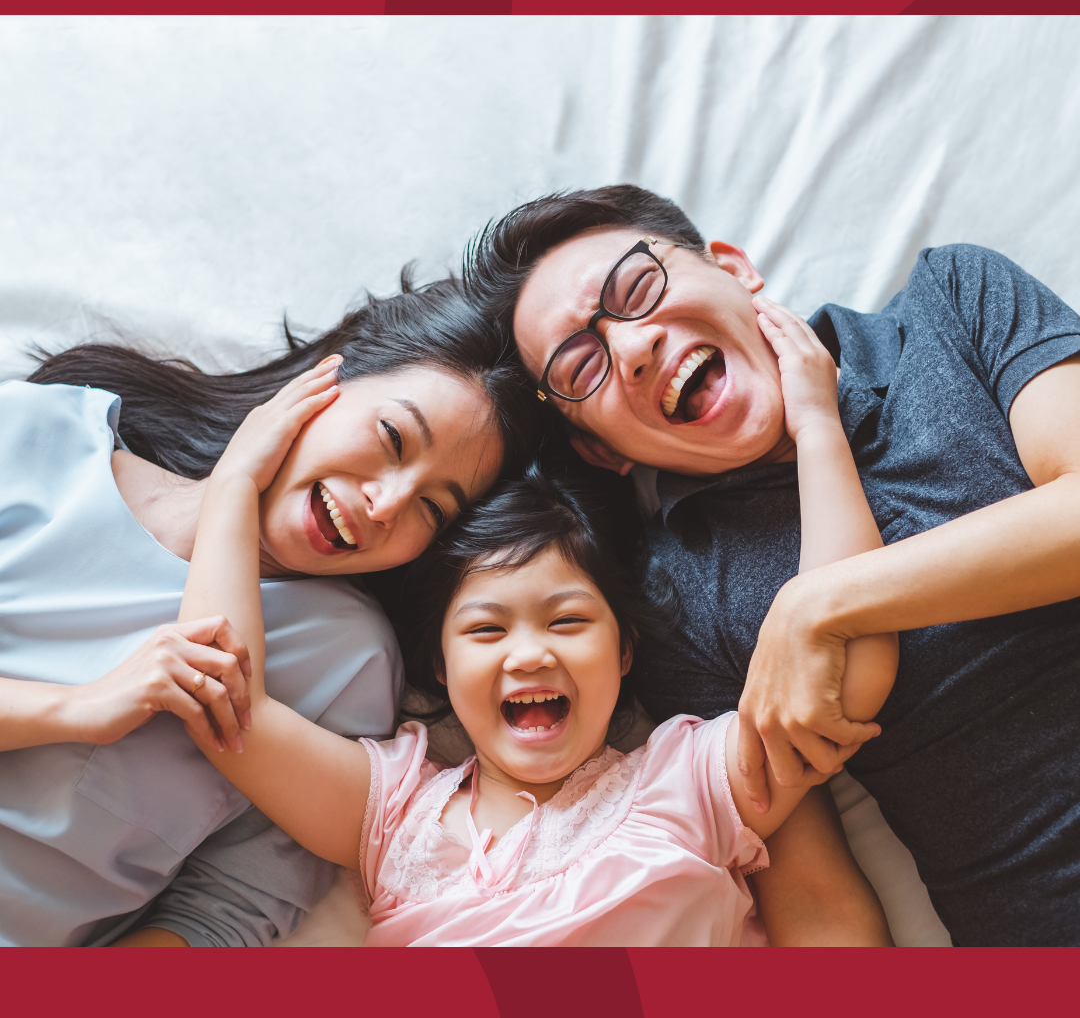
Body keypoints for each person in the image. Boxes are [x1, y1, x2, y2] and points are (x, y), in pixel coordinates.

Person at [463, 185, 1080, 946]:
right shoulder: (675, 603)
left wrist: (816, 608)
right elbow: (818, 902)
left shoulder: (954, 301)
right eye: (580, 365)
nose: (630, 348)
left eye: (635, 288)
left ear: (734, 268)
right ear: (601, 450)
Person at [165, 314, 896, 946]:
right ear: (441, 668)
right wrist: (235, 484)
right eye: (485, 631)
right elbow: (225, 701)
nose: (531, 653)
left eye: (569, 621)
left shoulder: (690, 783)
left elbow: (848, 663)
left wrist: (818, 429)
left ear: (624, 650)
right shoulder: (392, 814)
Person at [0, 277, 533, 947]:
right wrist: (77, 710)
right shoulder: (33, 432)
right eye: (393, 437)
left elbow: (226, 912)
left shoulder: (346, 661)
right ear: (322, 381)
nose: (388, 503)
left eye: (433, 507)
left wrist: (235, 491)